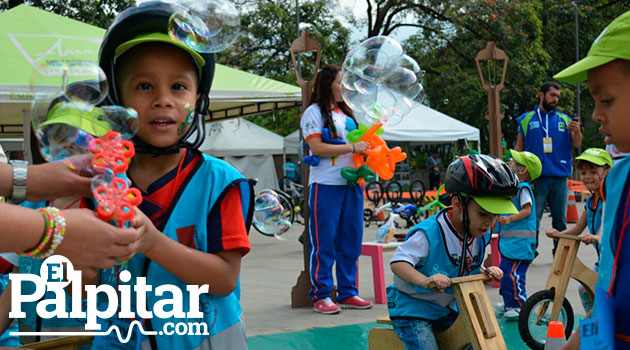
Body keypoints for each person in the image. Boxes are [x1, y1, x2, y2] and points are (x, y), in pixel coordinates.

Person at [553, 10, 630, 349]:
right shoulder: (619, 179)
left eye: (607, 100)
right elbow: (609, 282)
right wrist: (584, 337)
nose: (596, 114)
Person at [387, 154, 517, 350]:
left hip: (446, 309)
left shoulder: (479, 232)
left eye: (496, 215)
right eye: (483, 213)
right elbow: (398, 262)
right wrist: (424, 281)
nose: (490, 222)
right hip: (413, 309)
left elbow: (462, 260)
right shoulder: (429, 234)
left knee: (477, 340)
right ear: (457, 204)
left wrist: (484, 270)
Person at [301, 64, 372, 314]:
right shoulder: (313, 113)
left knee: (351, 241)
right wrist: (353, 148)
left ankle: (348, 292)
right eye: (341, 81)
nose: (346, 87)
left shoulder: (348, 115)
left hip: (352, 184)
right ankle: (321, 295)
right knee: (324, 242)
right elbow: (317, 149)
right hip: (326, 185)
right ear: (327, 83)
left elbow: (365, 142)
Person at [515, 81, 582, 256]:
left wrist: (577, 132)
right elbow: (518, 148)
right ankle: (530, 252)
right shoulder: (527, 119)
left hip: (559, 178)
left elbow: (577, 144)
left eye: (557, 97)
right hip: (536, 179)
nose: (555, 99)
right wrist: (515, 170)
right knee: (533, 218)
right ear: (541, 95)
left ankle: (559, 252)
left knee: (560, 219)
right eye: (552, 95)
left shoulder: (565, 121)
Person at [546, 148, 611, 313]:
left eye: (593, 171)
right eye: (583, 172)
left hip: (616, 261)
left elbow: (607, 223)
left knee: (609, 297)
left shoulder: (611, 197)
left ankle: (603, 325)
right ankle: (594, 323)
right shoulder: (590, 202)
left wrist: (597, 237)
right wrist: (559, 234)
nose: (587, 176)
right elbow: (577, 228)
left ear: (607, 172)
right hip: (603, 261)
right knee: (585, 289)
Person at [493, 150, 541, 319]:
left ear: (523, 171)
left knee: (514, 274)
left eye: (512, 162)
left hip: (520, 244)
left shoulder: (523, 188)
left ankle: (519, 305)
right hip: (511, 244)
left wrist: (510, 219)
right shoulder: (513, 188)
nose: (509, 163)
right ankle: (509, 302)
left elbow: (526, 210)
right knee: (506, 272)